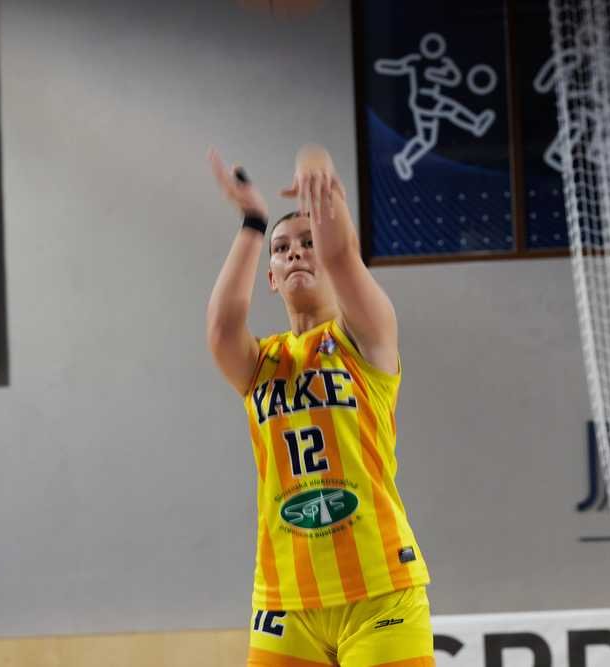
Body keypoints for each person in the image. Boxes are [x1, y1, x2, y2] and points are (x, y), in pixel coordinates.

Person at [205, 144, 433, 666]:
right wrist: (253, 222)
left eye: (307, 243)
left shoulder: (366, 337)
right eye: (282, 250)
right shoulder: (260, 363)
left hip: (380, 589)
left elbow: (342, 256)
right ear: (271, 278)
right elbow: (220, 329)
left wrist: (317, 167)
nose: (295, 254)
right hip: (285, 600)